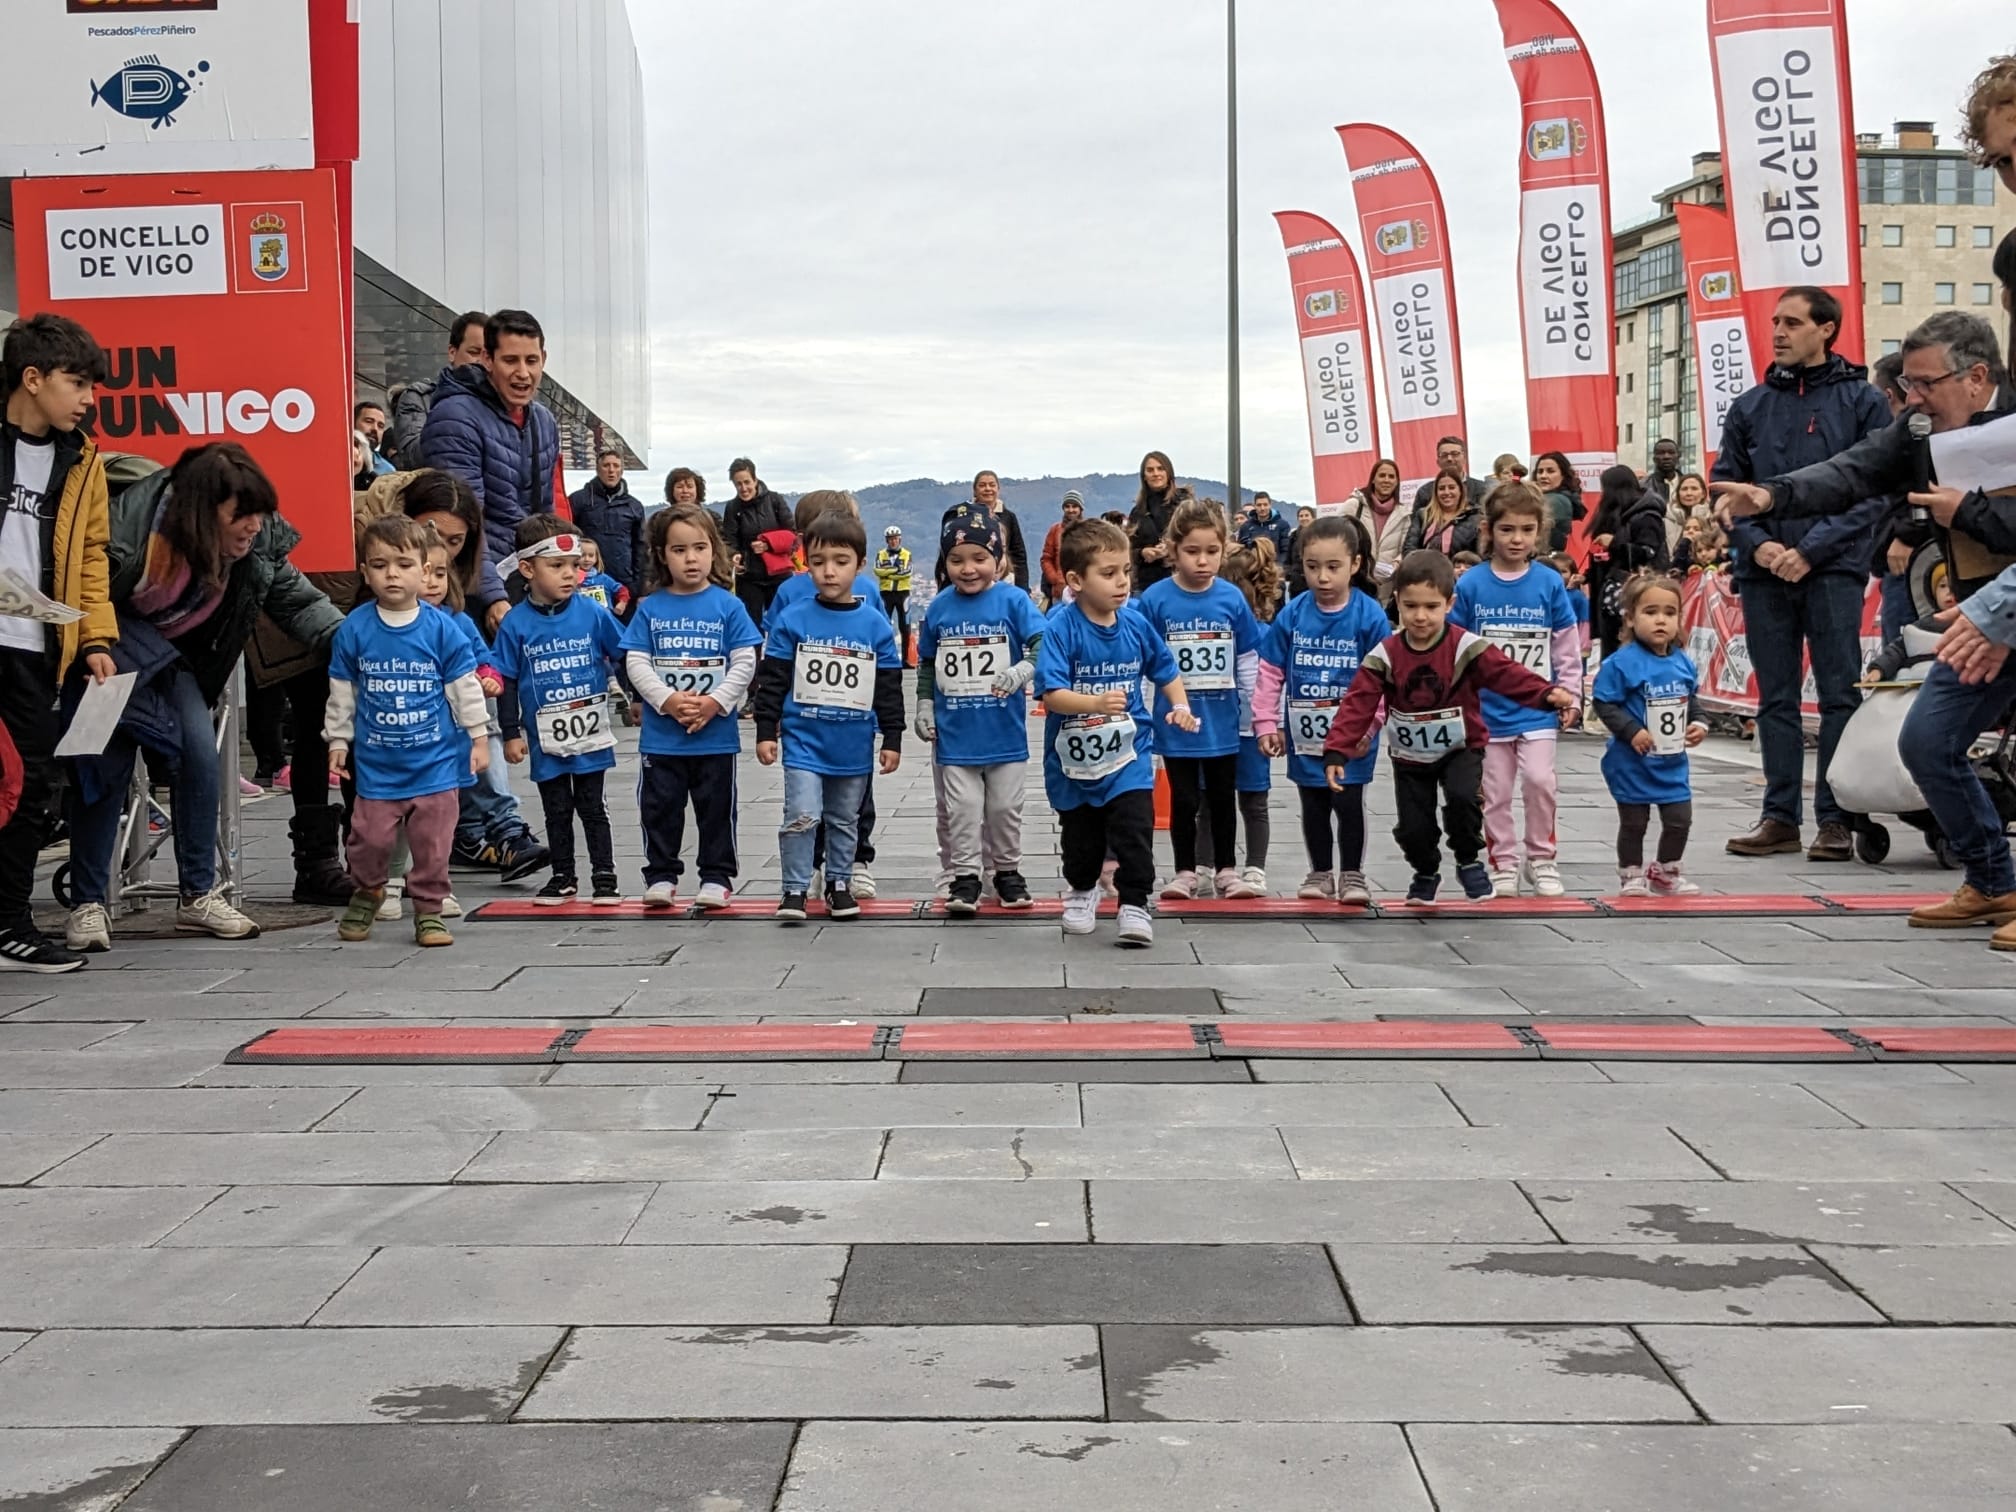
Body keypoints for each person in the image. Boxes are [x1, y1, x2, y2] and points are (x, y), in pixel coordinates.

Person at [1713, 311, 2016, 935]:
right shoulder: (1920, 428)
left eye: (1926, 383)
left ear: (1978, 375)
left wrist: (1973, 512)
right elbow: (1851, 471)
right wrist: (1770, 496)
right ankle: (1992, 880)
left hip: (1998, 609)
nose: (1912, 399)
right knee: (1927, 744)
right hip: (1978, 617)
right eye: (1906, 384)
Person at [68, 442, 341, 949]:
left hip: (174, 664)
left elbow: (301, 604)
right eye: (241, 515)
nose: (252, 526)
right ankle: (87, 904)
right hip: (108, 648)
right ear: (200, 511)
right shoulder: (130, 530)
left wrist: (366, 647)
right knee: (102, 764)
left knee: (199, 751)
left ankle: (197, 895)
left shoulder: (256, 546)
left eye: (259, 514)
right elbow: (84, 591)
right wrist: (90, 648)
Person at [1712, 286, 1892, 863]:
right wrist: (1760, 549)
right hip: (1764, 573)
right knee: (1776, 699)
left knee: (1839, 694)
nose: (1779, 332)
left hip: (1832, 569)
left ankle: (1836, 819)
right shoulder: (1749, 406)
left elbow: (1875, 490)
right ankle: (1779, 816)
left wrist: (1810, 550)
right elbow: (1725, 491)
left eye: (1792, 322)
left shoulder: (1864, 402)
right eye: (1776, 322)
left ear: (1827, 329)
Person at [1323, 550, 1576, 905]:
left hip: (1461, 748)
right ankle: (1425, 870)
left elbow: (1507, 674)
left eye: (1431, 606)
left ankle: (1468, 858)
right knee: (1413, 826)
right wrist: (1338, 748)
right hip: (1410, 757)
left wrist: (1546, 695)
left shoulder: (1466, 647)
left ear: (1449, 603)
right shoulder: (1386, 653)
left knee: (1462, 801)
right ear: (1397, 602)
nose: (1421, 616)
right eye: (1410, 606)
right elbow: (1358, 700)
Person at [0, 314, 116, 973]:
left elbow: (93, 554)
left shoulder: (81, 460)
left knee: (29, 785)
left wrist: (96, 635)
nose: (87, 399)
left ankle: (10, 923)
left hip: (35, 644)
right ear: (33, 377)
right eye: (77, 383)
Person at [324, 516, 491, 946]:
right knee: (367, 839)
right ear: (365, 572)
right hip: (378, 766)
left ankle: (430, 909)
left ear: (425, 571)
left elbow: (464, 687)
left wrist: (477, 737)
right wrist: (338, 740)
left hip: (434, 763)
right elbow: (344, 690)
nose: (391, 574)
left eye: (402, 564)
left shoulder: (441, 629)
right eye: (379, 565)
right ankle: (368, 889)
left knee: (433, 844)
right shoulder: (356, 628)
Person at [1036, 518, 1197, 946]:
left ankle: (1134, 904)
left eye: (1125, 571)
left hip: (1129, 755)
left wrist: (1180, 705)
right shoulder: (1061, 628)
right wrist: (1093, 703)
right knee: (1082, 840)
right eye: (1108, 574)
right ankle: (1083, 889)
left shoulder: (1136, 624)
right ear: (1076, 580)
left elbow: (1166, 670)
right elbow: (1051, 694)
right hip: (1074, 762)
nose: (1121, 582)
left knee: (1134, 828)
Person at [753, 509, 904, 922]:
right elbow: (774, 678)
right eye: (818, 562)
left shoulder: (875, 624)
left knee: (843, 817)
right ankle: (795, 888)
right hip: (804, 740)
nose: (829, 572)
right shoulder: (792, 619)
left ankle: (839, 881)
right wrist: (767, 729)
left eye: (840, 562)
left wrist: (892, 737)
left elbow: (888, 688)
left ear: (859, 563)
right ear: (805, 562)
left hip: (853, 742)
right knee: (801, 814)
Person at [398, 472, 549, 885]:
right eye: (429, 533)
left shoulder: (454, 613)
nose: (439, 557)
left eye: (454, 542)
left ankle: (498, 827)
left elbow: (478, 655)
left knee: (477, 715)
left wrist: (486, 673)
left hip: (456, 717)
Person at [621, 503, 761, 910]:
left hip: (715, 737)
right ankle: (661, 873)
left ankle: (716, 877)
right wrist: (666, 699)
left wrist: (716, 702)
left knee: (716, 810)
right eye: (679, 550)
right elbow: (636, 660)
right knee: (659, 808)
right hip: (662, 737)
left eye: (699, 548)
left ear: (713, 551)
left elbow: (745, 660)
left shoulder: (728, 606)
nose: (691, 558)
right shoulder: (651, 608)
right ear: (663, 555)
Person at [1452, 483, 1584, 897]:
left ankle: (1542, 858)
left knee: (1541, 781)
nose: (1517, 539)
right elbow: (1455, 645)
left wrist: (1571, 693)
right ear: (1490, 530)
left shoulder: (1548, 582)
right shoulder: (1472, 584)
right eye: (1508, 530)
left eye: (1527, 530)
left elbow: (1565, 643)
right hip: (1488, 711)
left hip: (1537, 706)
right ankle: (1504, 861)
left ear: (1539, 531)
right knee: (1495, 791)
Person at [914, 504, 1046, 914]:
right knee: (963, 810)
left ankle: (1007, 871)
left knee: (1005, 808)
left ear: (998, 560)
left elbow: (1043, 646)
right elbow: (928, 662)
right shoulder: (938, 607)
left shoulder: (1014, 601)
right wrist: (924, 705)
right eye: (956, 560)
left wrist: (1023, 671)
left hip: (1003, 733)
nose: (968, 569)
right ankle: (965, 876)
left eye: (978, 558)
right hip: (955, 736)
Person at [1255, 517, 1389, 904]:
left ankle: (1352, 874)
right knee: (1312, 803)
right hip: (1303, 735)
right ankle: (1319, 871)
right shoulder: (1293, 614)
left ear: (1355, 564)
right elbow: (1270, 671)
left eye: (1333, 567)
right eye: (1312, 567)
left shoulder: (1369, 615)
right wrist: (1266, 722)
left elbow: (1382, 676)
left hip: (1352, 737)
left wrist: (1371, 724)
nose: (1323, 578)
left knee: (1348, 803)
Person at [494, 519, 627, 905]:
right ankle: (563, 876)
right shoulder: (515, 623)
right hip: (544, 738)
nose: (570, 574)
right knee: (556, 810)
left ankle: (605, 876)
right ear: (527, 569)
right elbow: (506, 679)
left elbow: (624, 653)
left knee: (592, 807)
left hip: (590, 734)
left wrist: (638, 697)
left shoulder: (592, 613)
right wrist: (510, 732)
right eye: (557, 566)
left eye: (575, 565)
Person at [1138, 499, 1266, 901]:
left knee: (1222, 796)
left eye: (1211, 551)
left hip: (1223, 720)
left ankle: (1227, 869)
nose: (1202, 561)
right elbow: (1143, 658)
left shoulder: (1230, 598)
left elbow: (1247, 657)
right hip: (1176, 723)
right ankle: (1185, 870)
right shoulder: (1156, 600)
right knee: (1184, 798)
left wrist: (1258, 714)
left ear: (1224, 548)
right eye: (1192, 551)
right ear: (1173, 550)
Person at [375, 527, 501, 923]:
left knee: (437, 819)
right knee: (395, 820)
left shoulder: (457, 622)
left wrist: (488, 679)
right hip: (396, 740)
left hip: (444, 744)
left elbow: (482, 661)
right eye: (426, 572)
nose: (432, 583)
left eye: (441, 573)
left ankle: (434, 883)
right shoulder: (383, 622)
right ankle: (391, 884)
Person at [419, 310, 570, 632]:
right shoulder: (455, 416)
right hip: (471, 589)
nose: (523, 373)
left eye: (531, 360)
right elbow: (462, 523)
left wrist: (559, 569)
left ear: (543, 359)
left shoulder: (543, 420)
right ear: (487, 359)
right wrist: (492, 597)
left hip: (524, 579)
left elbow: (544, 514)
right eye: (510, 360)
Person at [1593, 574, 1709, 896]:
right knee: (1634, 822)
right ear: (1630, 618)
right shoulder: (1621, 663)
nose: (1661, 620)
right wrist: (1632, 731)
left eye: (1670, 613)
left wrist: (1699, 724)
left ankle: (1666, 870)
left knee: (1679, 820)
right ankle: (1631, 873)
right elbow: (1604, 702)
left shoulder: (1683, 663)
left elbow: (1692, 702)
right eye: (1651, 612)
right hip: (1632, 762)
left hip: (1671, 762)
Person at [1195, 539, 1281, 897]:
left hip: (1235, 729)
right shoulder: (1266, 633)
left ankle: (1205, 867)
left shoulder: (1258, 635)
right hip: (1242, 729)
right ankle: (1251, 869)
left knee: (1213, 804)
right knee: (1250, 802)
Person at [1586, 465, 1672, 658]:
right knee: (1613, 650)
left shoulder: (1647, 516)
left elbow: (1648, 552)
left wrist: (1615, 543)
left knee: (1634, 649)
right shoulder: (1617, 515)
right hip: (1612, 591)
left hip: (1636, 592)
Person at [391, 310, 487, 467]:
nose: (480, 361)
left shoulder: (501, 403)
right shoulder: (419, 398)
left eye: (487, 355)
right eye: (473, 352)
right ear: (452, 352)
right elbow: (412, 456)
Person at [721, 457, 797, 627]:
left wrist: (768, 545)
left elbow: (792, 535)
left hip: (779, 576)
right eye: (738, 484)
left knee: (783, 624)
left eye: (747, 482)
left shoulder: (775, 501)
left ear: (755, 480)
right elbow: (729, 540)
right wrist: (734, 556)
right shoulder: (733, 508)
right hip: (750, 578)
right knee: (751, 626)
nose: (743, 488)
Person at [568, 449, 647, 609]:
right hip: (586, 581)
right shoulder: (578, 500)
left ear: (622, 470)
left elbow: (641, 548)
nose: (611, 470)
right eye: (606, 465)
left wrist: (640, 587)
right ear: (597, 469)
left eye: (616, 466)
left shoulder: (634, 506)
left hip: (624, 582)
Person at [936, 472, 1031, 594]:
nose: (988, 489)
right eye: (982, 485)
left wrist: (1023, 587)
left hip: (1002, 577)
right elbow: (947, 552)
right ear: (974, 490)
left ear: (998, 489)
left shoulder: (1008, 517)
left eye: (992, 485)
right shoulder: (960, 515)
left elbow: (1018, 554)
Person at [1342, 458, 1412, 594]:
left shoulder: (1405, 515)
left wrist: (1396, 564)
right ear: (1373, 480)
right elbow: (1335, 536)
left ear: (1397, 482)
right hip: (1355, 583)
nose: (1386, 480)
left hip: (1388, 586)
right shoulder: (1354, 505)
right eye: (1382, 475)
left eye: (1391, 476)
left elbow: (1406, 548)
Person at [1127, 451, 1193, 589]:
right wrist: (1142, 553)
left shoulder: (1186, 505)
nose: (1156, 473)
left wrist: (1172, 548)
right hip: (1147, 583)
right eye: (1150, 470)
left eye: (1160, 468)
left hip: (1182, 579)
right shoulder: (1138, 512)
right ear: (1144, 476)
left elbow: (1197, 538)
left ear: (1169, 473)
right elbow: (1128, 548)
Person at [1404, 469, 1482, 560]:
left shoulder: (1474, 518)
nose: (1446, 492)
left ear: (1460, 490)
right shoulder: (1423, 515)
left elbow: (1479, 555)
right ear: (1436, 492)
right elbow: (1409, 548)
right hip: (1424, 571)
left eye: (1451, 487)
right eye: (1441, 488)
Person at [1411, 436, 1490, 511]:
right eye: (1444, 455)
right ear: (1438, 462)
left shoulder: (1481, 489)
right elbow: (1417, 522)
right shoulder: (1425, 492)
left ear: (1465, 459)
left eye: (1455, 454)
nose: (1449, 459)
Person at [1530, 451, 1581, 553]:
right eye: (1540, 472)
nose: (1543, 476)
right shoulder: (1545, 497)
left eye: (1550, 471)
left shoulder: (1557, 500)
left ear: (1563, 475)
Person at [1040, 491, 1084, 601]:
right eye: (1067, 506)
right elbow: (1046, 559)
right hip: (1060, 591)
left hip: (1083, 589)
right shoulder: (1055, 530)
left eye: (1074, 506)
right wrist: (1055, 579)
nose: (1071, 510)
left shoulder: (1087, 530)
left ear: (1080, 509)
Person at [875, 525, 914, 645]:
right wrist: (895, 570)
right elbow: (877, 571)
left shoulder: (907, 554)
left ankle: (907, 659)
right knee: (884, 624)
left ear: (899, 539)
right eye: (890, 539)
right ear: (887, 541)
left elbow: (907, 572)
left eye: (895, 538)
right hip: (886, 593)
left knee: (905, 625)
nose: (893, 541)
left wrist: (887, 573)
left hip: (903, 593)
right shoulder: (880, 554)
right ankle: (885, 655)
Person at [573, 537, 630, 618]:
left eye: (591, 555)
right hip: (581, 620)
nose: (586, 559)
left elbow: (622, 590)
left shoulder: (603, 579)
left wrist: (622, 603)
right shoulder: (571, 579)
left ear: (596, 558)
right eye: (582, 555)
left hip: (603, 620)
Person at [1237, 491, 1291, 558]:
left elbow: (1286, 552)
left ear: (1270, 505)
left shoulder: (1282, 525)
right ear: (1255, 506)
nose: (1262, 508)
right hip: (1252, 566)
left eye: (1265, 505)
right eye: (1259, 505)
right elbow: (1241, 550)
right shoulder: (1246, 527)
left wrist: (1278, 567)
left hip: (1274, 566)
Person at [353, 401, 396, 475]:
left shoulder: (389, 472)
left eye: (380, 426)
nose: (375, 429)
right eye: (369, 421)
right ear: (352, 423)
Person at [1284, 505, 1315, 597]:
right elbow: (1288, 559)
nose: (1303, 518)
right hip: (1297, 581)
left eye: (1306, 515)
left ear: (1313, 517)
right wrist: (1290, 574)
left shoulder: (1320, 535)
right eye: (1301, 516)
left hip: (1313, 580)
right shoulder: (1293, 536)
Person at [1642, 438, 1683, 503]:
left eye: (1671, 452)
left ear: (1678, 457)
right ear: (1654, 459)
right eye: (1661, 453)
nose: (1666, 457)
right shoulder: (1643, 486)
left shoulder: (1689, 484)